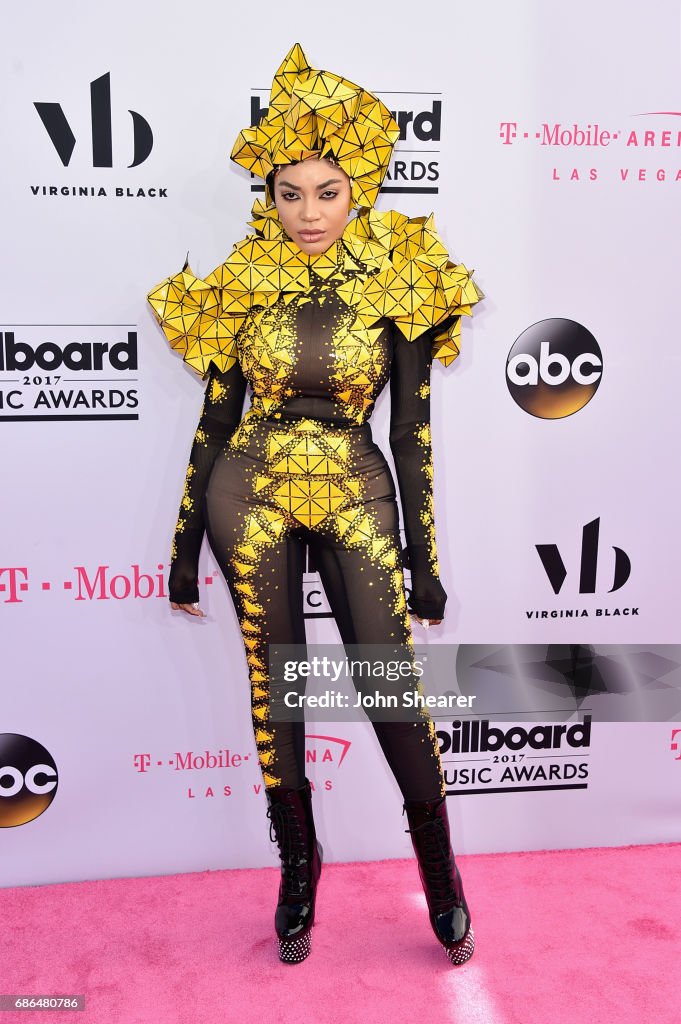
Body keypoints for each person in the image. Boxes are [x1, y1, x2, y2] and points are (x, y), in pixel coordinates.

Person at [148, 43, 481, 966]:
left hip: (356, 491)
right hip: (244, 492)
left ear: (359, 188)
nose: (305, 212)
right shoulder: (241, 279)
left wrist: (423, 560)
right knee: (276, 683)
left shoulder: (404, 274)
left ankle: (441, 876)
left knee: (387, 685)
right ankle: (298, 865)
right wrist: (183, 547)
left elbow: (410, 431)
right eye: (288, 192)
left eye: (325, 191)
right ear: (269, 192)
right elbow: (215, 422)